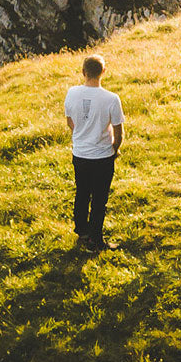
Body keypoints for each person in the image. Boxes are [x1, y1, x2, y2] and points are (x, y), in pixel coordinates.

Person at [64, 54, 124, 250]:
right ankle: (95, 240)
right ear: (103, 72)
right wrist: (114, 149)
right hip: (102, 157)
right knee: (99, 199)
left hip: (80, 154)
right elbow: (118, 131)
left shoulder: (71, 93)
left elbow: (70, 121)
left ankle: (82, 231)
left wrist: (82, 135)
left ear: (83, 72)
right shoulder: (111, 98)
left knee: (82, 193)